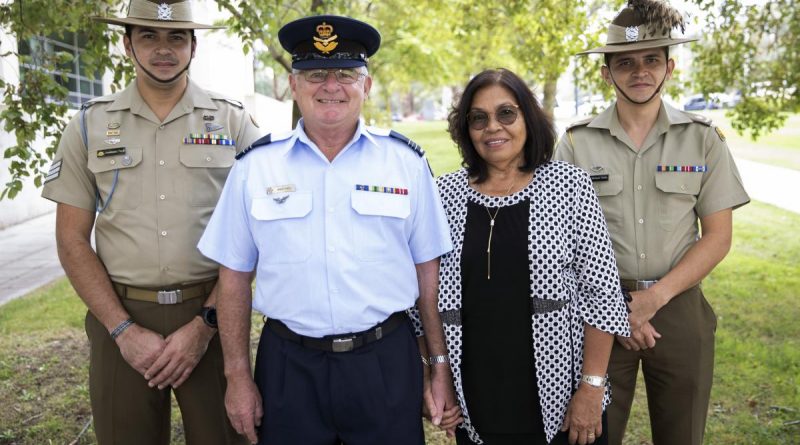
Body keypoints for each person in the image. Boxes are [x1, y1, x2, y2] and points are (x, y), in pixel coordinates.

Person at [197, 14, 457, 445]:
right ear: (294, 86)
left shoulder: (405, 163)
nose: (331, 86)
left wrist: (438, 367)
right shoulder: (254, 169)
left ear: (367, 86)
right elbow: (234, 279)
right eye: (316, 74)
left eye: (346, 74)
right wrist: (237, 376)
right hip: (288, 368)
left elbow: (428, 276)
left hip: (385, 363)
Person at [40, 1, 261, 443]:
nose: (164, 49)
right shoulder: (88, 125)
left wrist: (204, 326)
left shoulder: (232, 121)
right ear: (127, 45)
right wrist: (122, 331)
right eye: (148, 36)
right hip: (120, 316)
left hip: (214, 314)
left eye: (176, 37)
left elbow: (257, 231)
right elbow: (71, 241)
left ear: (193, 47)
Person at [555, 1, 750, 444]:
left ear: (670, 67)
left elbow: (718, 237)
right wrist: (623, 306)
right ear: (606, 73)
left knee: (682, 434)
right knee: (589, 434)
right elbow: (560, 243)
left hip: (679, 307)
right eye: (625, 62)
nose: (639, 71)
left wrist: (652, 299)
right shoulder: (574, 144)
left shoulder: (703, 139)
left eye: (651, 60)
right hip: (598, 310)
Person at [417, 68, 630, 445]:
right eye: (478, 118)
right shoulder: (442, 194)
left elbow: (602, 295)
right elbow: (423, 299)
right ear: (466, 129)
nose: (492, 127)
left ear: (527, 117)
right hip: (476, 401)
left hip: (563, 402)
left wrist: (592, 387)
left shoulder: (570, 185)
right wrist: (438, 372)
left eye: (506, 113)